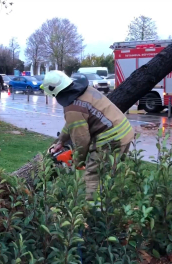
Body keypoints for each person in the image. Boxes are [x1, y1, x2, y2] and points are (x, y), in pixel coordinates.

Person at [42, 70, 134, 200]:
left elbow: (81, 140)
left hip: (110, 140)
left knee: (92, 176)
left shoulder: (73, 108)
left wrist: (78, 161)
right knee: (109, 173)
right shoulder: (86, 90)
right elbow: (72, 124)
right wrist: (61, 141)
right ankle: (112, 204)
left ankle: (92, 212)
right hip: (125, 132)